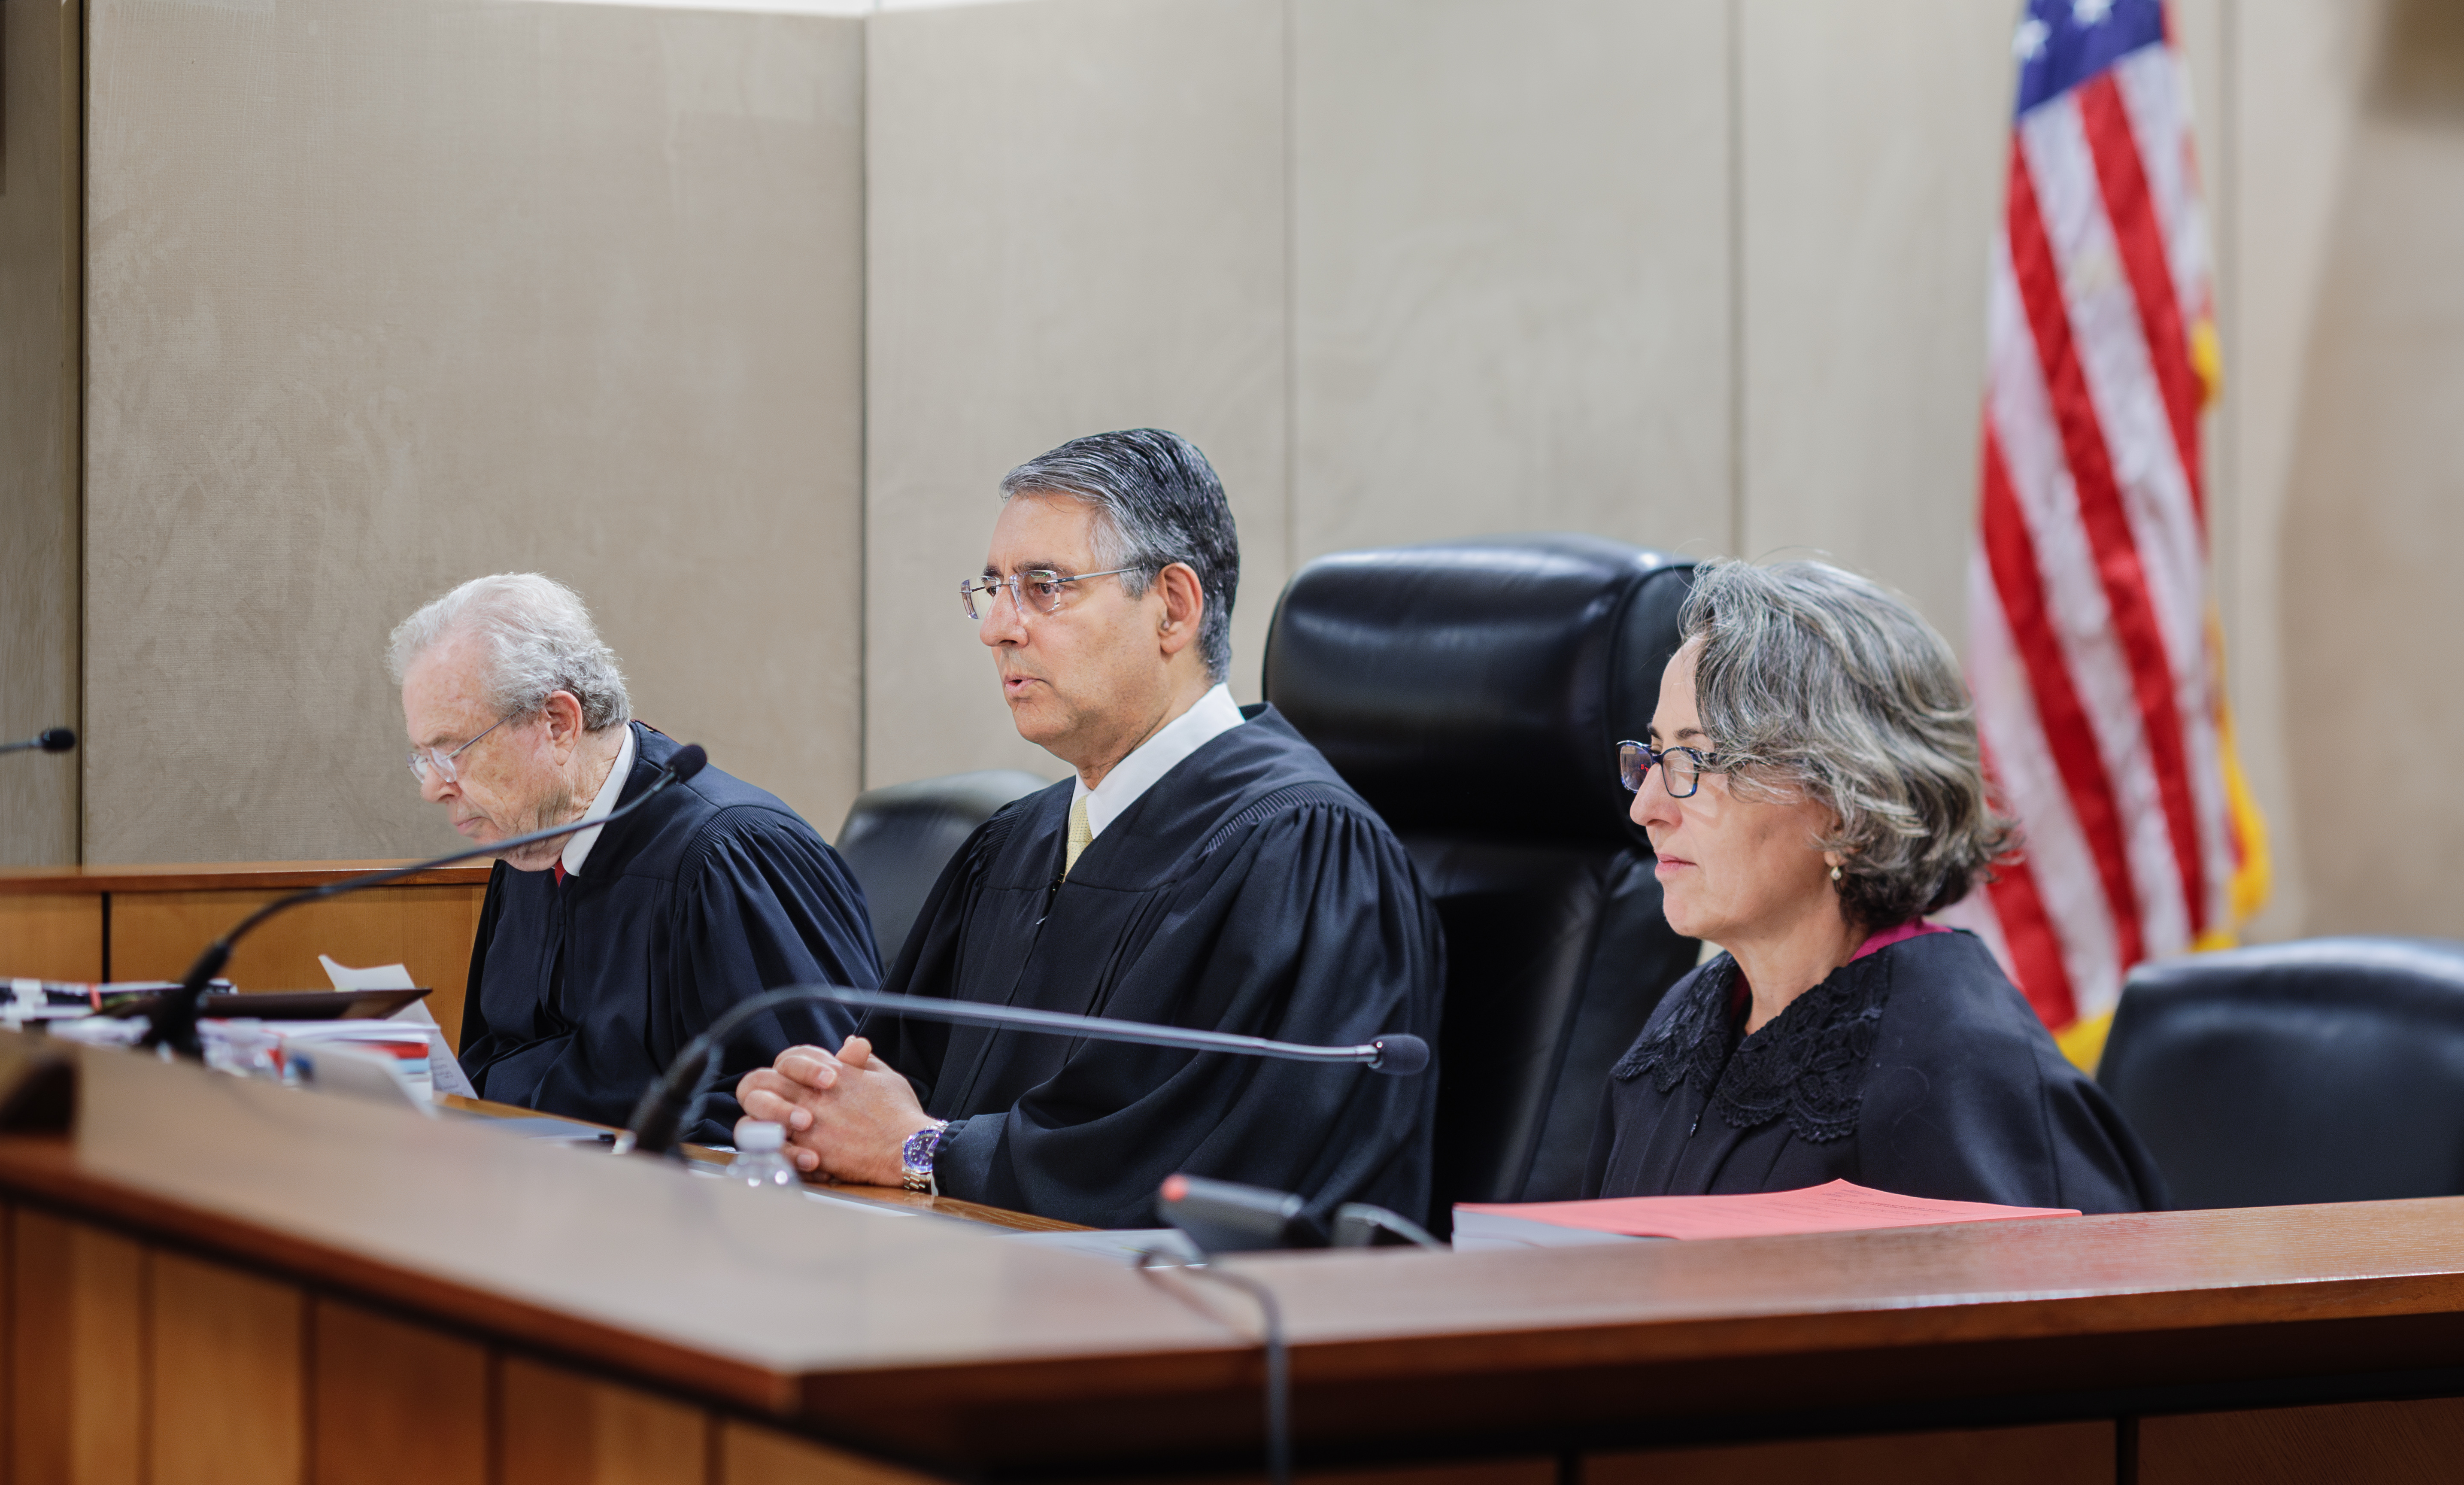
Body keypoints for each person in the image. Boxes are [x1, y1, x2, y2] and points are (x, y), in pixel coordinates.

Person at [736, 430, 1443, 1228]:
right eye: (994, 587)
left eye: (1044, 587)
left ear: (1173, 607)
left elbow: (1233, 1172)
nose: (996, 628)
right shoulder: (1011, 845)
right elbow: (885, 1090)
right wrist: (810, 1114)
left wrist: (922, 1153)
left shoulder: (1306, 853)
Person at [1585, 558, 2164, 1212]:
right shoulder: (1682, 1023)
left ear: (1848, 804)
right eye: (1654, 756)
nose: (1647, 808)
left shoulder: (1959, 1066)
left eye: (1694, 759)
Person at [390, 574, 879, 1141]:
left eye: (452, 751)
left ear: (558, 723)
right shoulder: (525, 845)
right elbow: (493, 1062)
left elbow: (815, 1109)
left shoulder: (730, 857)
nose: (434, 787)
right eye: (424, 757)